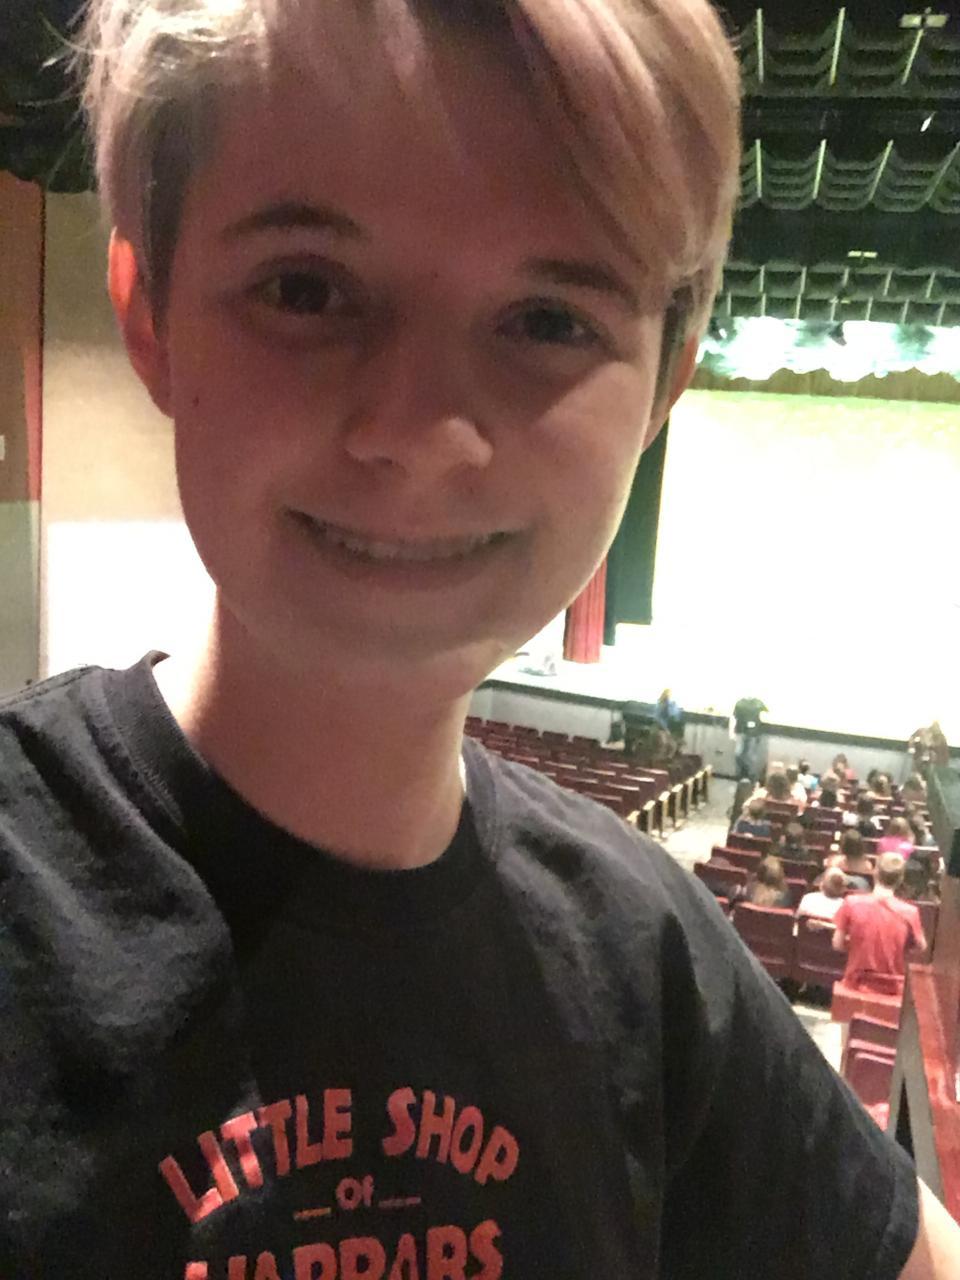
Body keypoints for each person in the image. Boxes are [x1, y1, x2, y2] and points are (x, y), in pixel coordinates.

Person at [2, 0, 956, 1275]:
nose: (419, 433)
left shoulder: (653, 954)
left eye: (549, 319)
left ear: (664, 385)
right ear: (151, 315)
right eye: (306, 289)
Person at [832, 854, 927, 992]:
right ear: (901, 879)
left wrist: (859, 945)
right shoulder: (911, 912)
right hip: (894, 989)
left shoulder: (851, 903)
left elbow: (837, 944)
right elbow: (921, 947)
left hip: (855, 984)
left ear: (875, 872)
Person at [731, 695, 768, 783]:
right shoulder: (757, 703)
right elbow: (734, 717)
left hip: (748, 732)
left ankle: (746, 775)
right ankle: (745, 775)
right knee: (744, 754)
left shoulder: (743, 703)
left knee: (746, 755)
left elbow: (734, 717)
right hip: (747, 732)